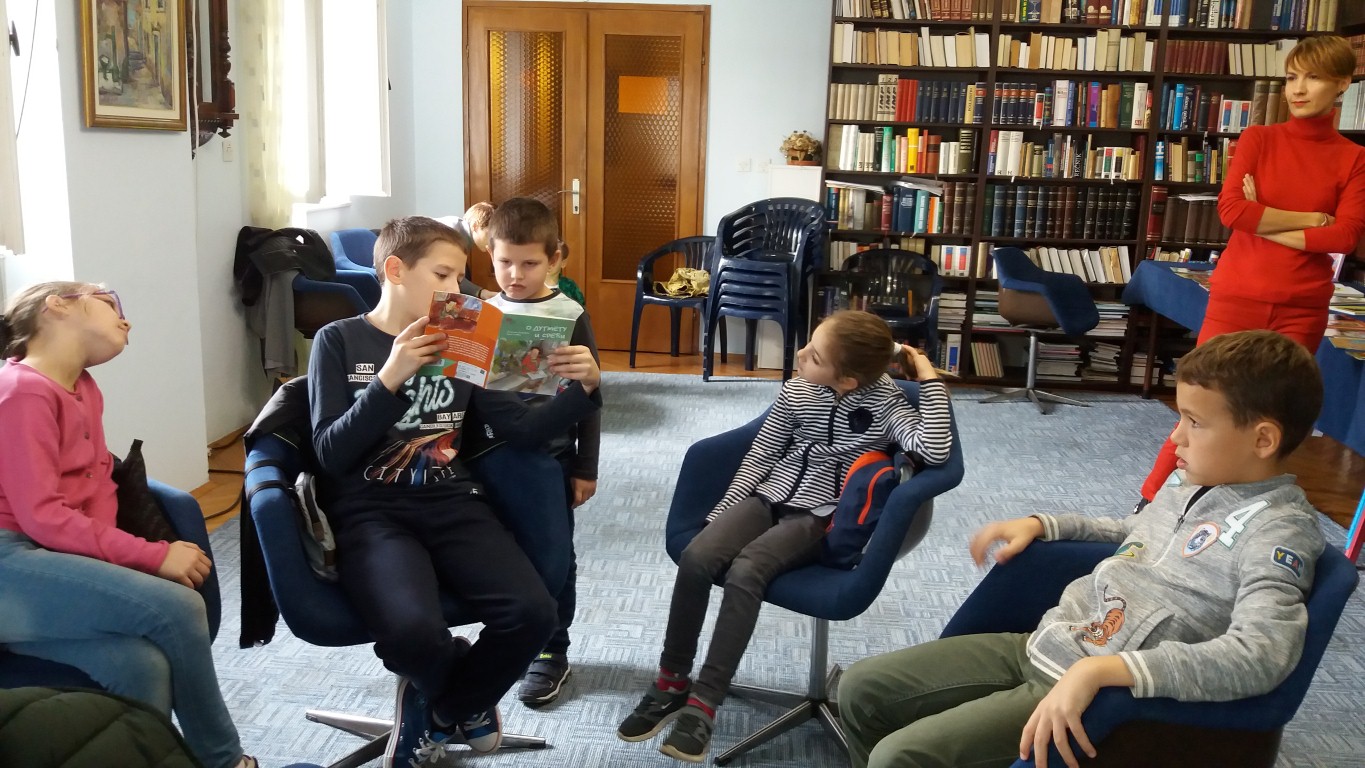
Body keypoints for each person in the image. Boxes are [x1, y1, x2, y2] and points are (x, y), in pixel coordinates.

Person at [839, 329, 1327, 768]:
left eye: (1194, 422)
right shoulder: (1192, 482)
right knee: (860, 689)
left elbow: (1261, 655)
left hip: (1099, 697)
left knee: (897, 757)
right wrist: (1044, 524)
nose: (1175, 435)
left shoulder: (1280, 531)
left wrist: (1106, 670)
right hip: (1051, 640)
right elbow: (1134, 530)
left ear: (1263, 439)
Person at [307, 216, 603, 767]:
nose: (458, 289)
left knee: (533, 613)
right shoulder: (339, 340)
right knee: (411, 633)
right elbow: (329, 453)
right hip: (372, 512)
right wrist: (390, 378)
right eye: (443, 275)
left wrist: (584, 389)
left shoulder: (463, 335)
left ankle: (440, 709)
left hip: (452, 500)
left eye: (461, 276)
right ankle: (462, 696)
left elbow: (518, 429)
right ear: (396, 270)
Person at [616, 310, 953, 763]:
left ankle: (705, 702)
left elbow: (934, 448)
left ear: (847, 380)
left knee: (747, 570)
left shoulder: (889, 406)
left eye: (814, 355)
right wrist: (723, 513)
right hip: (769, 495)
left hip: (819, 517)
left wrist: (927, 374)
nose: (800, 355)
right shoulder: (798, 390)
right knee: (698, 556)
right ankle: (672, 682)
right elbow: (760, 455)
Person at [0, 282, 258, 768]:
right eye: (110, 302)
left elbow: (99, 490)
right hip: (11, 563)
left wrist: (119, 572)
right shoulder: (21, 391)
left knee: (143, 666)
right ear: (57, 305)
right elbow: (43, 516)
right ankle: (224, 761)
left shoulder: (84, 388)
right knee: (179, 607)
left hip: (45, 566)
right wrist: (152, 556)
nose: (126, 320)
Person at [1138, 35, 1365, 507]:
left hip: (1303, 306)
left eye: (1314, 77)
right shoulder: (1260, 139)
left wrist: (1267, 218)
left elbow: (1344, 236)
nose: (1298, 89)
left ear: (1343, 83)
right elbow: (1233, 211)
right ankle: (1152, 503)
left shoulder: (1354, 157)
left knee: (1272, 417)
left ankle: (1238, 513)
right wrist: (1311, 219)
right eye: (1292, 77)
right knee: (1200, 408)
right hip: (1238, 295)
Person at [482, 197, 603, 707]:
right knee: (500, 548)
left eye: (529, 263)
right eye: (505, 262)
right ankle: (509, 636)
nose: (516, 275)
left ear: (554, 259)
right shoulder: (482, 313)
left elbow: (591, 394)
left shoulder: (569, 314)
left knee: (554, 554)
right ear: (490, 254)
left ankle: (553, 647)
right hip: (487, 455)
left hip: (550, 458)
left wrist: (585, 466)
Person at [548, 240, 586, 306]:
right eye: (547, 257)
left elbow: (581, 308)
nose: (549, 263)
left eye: (554, 259)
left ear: (563, 263)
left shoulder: (570, 286)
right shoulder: (532, 286)